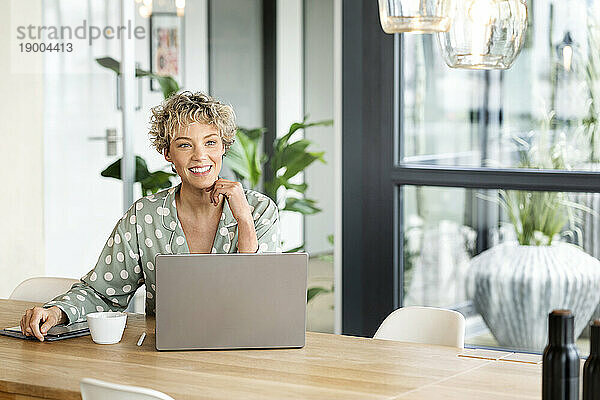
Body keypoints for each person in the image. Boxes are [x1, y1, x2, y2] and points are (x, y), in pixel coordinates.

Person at [20, 91, 281, 341]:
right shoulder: (145, 216)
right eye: (184, 145)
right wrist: (56, 312)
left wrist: (245, 221)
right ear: (168, 153)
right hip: (167, 354)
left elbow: (261, 300)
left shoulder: (259, 210)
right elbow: (103, 293)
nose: (200, 155)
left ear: (224, 147)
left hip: (246, 347)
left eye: (210, 142)